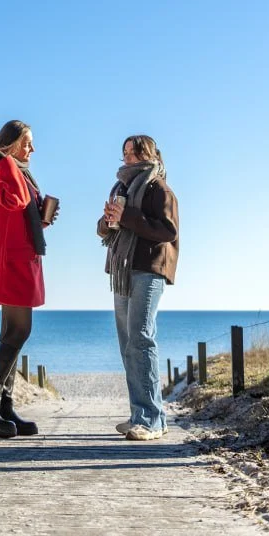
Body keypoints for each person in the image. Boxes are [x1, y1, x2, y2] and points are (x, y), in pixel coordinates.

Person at [0, 120, 57, 438]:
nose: (32, 149)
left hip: (20, 260)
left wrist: (40, 219)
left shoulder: (11, 172)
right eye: (27, 142)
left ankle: (3, 406)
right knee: (17, 331)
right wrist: (0, 160)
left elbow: (17, 213)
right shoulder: (1, 173)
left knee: (12, 333)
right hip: (11, 263)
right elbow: (16, 199)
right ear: (11, 145)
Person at [97, 134, 179, 442]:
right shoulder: (121, 188)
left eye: (134, 153)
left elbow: (168, 231)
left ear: (150, 154)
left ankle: (152, 420)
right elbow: (105, 230)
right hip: (122, 269)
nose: (128, 159)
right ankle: (140, 415)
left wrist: (128, 217)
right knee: (128, 343)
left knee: (141, 340)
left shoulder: (160, 188)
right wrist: (107, 222)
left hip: (149, 268)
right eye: (125, 154)